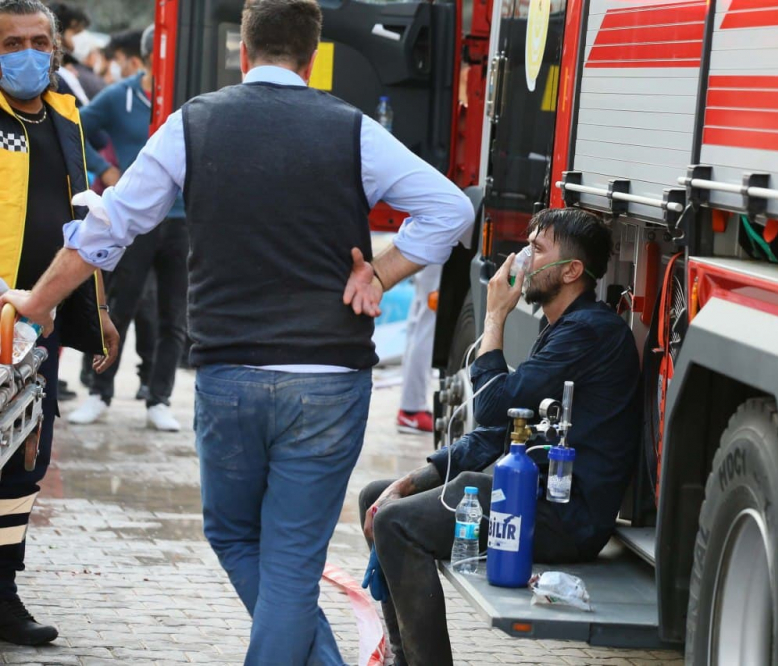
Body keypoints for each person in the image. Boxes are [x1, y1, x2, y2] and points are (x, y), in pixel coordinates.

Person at [1, 0, 474, 662]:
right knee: (290, 559)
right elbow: (449, 208)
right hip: (329, 379)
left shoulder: (191, 126)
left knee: (233, 535)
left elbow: (108, 229)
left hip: (230, 375)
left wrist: (40, 301)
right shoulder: (351, 130)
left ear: (243, 52)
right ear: (312, 59)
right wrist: (382, 275)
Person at [359, 208, 641, 666]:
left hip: (567, 518)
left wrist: (494, 318)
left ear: (570, 271)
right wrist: (412, 479)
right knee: (378, 496)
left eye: (538, 248)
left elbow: (491, 404)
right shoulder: (561, 328)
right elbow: (499, 429)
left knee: (397, 524)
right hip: (534, 495)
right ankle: (403, 656)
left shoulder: (590, 331)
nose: (523, 257)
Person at [0, 0, 118, 646]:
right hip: (0, 316)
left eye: (38, 40)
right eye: (11, 41)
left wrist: (97, 309)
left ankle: (3, 590)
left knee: (23, 464)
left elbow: (82, 225)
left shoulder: (66, 119)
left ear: (55, 48)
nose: (27, 51)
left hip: (34, 333)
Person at [68, 26, 189, 431]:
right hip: (136, 222)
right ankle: (99, 393)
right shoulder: (121, 96)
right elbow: (75, 126)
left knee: (174, 315)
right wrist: (104, 168)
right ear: (148, 58)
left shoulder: (190, 100)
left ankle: (160, 399)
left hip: (182, 220)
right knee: (119, 306)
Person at [396, 263, 441, 434]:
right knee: (428, 320)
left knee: (421, 315)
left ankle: (411, 407)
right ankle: (412, 409)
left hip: (428, 242)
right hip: (439, 242)